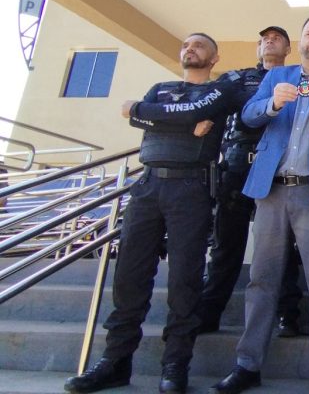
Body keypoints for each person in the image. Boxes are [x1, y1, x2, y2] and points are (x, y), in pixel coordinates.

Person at [65, 33, 242, 394]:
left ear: (214, 56)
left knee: (184, 281)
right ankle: (115, 362)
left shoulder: (220, 90)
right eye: (186, 45)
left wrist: (149, 115)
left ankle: (175, 365)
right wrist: (176, 122)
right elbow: (139, 119)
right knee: (129, 276)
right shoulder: (160, 87)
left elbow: (174, 113)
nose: (190, 48)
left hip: (191, 188)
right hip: (146, 187)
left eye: (198, 45)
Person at [210, 15, 309, 394]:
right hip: (272, 191)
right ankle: (248, 365)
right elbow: (248, 116)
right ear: (300, 40)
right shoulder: (276, 76)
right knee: (262, 280)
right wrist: (270, 106)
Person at [197, 26, 305, 337]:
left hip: (279, 167)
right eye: (264, 39)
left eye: (276, 38)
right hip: (238, 168)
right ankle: (209, 312)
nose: (269, 42)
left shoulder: (298, 79)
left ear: (287, 48)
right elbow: (210, 109)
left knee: (282, 246)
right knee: (226, 245)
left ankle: (288, 314)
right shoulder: (235, 78)